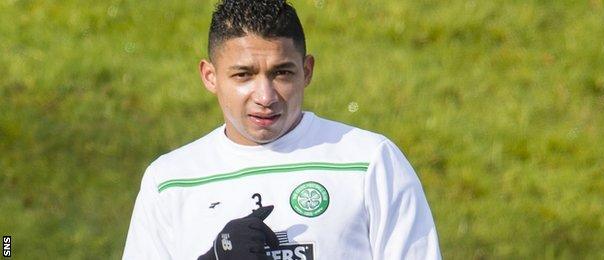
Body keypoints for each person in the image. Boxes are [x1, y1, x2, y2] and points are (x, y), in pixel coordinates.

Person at [122, 0, 441, 259]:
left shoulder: (369, 161)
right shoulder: (170, 181)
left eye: (282, 73)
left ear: (307, 71)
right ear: (210, 77)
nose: (265, 96)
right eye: (243, 75)